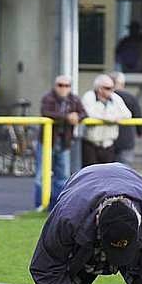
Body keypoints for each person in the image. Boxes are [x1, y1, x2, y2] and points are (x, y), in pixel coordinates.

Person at [36, 75, 86, 210]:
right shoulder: (48, 98)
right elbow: (46, 112)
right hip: (47, 142)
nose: (63, 88)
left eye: (66, 85)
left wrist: (77, 117)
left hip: (64, 142)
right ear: (55, 86)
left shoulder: (74, 99)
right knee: (42, 175)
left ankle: (58, 206)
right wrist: (68, 117)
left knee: (63, 176)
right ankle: (40, 206)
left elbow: (84, 113)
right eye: (60, 85)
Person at [80, 75, 131, 166]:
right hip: (91, 143)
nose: (111, 90)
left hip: (108, 144)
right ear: (99, 89)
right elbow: (89, 113)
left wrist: (108, 117)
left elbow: (127, 114)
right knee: (91, 175)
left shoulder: (115, 98)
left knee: (107, 175)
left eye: (112, 88)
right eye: (108, 88)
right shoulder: (89, 96)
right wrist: (111, 118)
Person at [109, 71, 142, 165]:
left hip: (107, 141)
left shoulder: (104, 97)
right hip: (126, 141)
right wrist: (140, 132)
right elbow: (138, 117)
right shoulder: (130, 98)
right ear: (122, 84)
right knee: (124, 173)